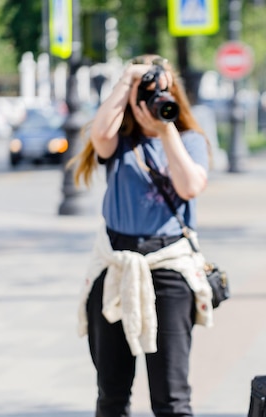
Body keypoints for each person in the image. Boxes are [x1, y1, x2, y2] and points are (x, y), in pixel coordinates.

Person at [69, 54, 211, 417]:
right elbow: (99, 133)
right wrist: (127, 80)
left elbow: (190, 186)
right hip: (115, 267)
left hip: (169, 270)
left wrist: (166, 131)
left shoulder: (189, 139)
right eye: (142, 93)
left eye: (158, 91)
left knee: (172, 398)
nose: (150, 100)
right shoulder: (120, 142)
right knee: (111, 395)